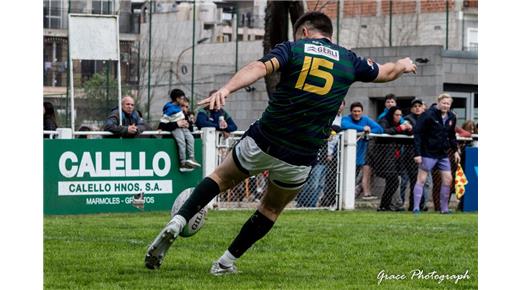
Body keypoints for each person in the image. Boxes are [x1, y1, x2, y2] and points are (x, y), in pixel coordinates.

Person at [144, 11, 416, 274]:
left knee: (219, 178)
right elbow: (387, 71)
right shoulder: (349, 60)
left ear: (306, 32)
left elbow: (258, 68)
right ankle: (225, 262)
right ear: (330, 35)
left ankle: (179, 220)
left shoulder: (294, 49)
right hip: (301, 154)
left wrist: (226, 89)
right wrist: (403, 64)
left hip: (266, 139)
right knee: (271, 209)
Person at [412, 93, 460, 214]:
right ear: (438, 102)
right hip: (428, 153)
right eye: (444, 103)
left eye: (448, 104)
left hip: (443, 154)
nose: (445, 105)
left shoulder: (451, 117)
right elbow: (418, 134)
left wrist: (455, 150)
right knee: (421, 180)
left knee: (448, 180)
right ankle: (416, 207)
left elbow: (451, 135)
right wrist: (417, 153)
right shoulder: (427, 115)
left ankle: (444, 209)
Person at [340, 102, 383, 200]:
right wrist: (362, 129)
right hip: (345, 156)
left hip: (361, 156)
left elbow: (379, 129)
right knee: (345, 179)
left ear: (362, 112)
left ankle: (349, 199)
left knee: (355, 180)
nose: (357, 113)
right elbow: (344, 125)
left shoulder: (365, 119)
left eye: (359, 111)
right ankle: (340, 199)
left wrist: (369, 131)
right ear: (351, 112)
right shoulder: (346, 119)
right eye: (354, 111)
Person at [376, 106, 413, 211]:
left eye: (400, 115)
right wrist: (399, 129)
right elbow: (383, 131)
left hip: (395, 157)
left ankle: (384, 205)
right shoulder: (384, 120)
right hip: (383, 156)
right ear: (392, 114)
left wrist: (409, 129)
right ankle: (384, 205)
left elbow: (407, 134)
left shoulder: (399, 124)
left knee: (393, 182)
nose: (398, 117)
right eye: (396, 115)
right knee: (393, 180)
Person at [158, 89, 201, 172]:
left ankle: (191, 158)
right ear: (177, 99)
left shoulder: (181, 110)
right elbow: (163, 121)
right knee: (182, 142)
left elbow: (185, 122)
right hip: (176, 129)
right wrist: (176, 124)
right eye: (182, 98)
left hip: (183, 127)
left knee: (190, 139)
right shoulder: (170, 109)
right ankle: (183, 162)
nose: (183, 100)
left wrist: (188, 123)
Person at [401, 98, 428, 211]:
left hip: (425, 152)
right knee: (413, 180)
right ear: (412, 108)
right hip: (410, 154)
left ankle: (420, 204)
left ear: (423, 107)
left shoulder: (426, 118)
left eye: (419, 106)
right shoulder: (407, 118)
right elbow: (411, 131)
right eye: (415, 106)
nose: (417, 108)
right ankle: (413, 205)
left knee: (422, 180)